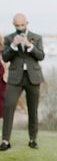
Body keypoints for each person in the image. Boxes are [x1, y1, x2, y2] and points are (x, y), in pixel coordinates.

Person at [1, 13, 45, 151]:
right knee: (8, 106)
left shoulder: (36, 37)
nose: (20, 27)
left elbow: (41, 56)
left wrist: (29, 46)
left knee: (33, 109)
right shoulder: (9, 38)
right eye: (17, 25)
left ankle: (33, 139)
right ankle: (5, 141)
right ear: (14, 25)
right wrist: (13, 46)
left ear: (27, 23)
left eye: (22, 25)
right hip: (15, 78)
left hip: (33, 77)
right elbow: (5, 57)